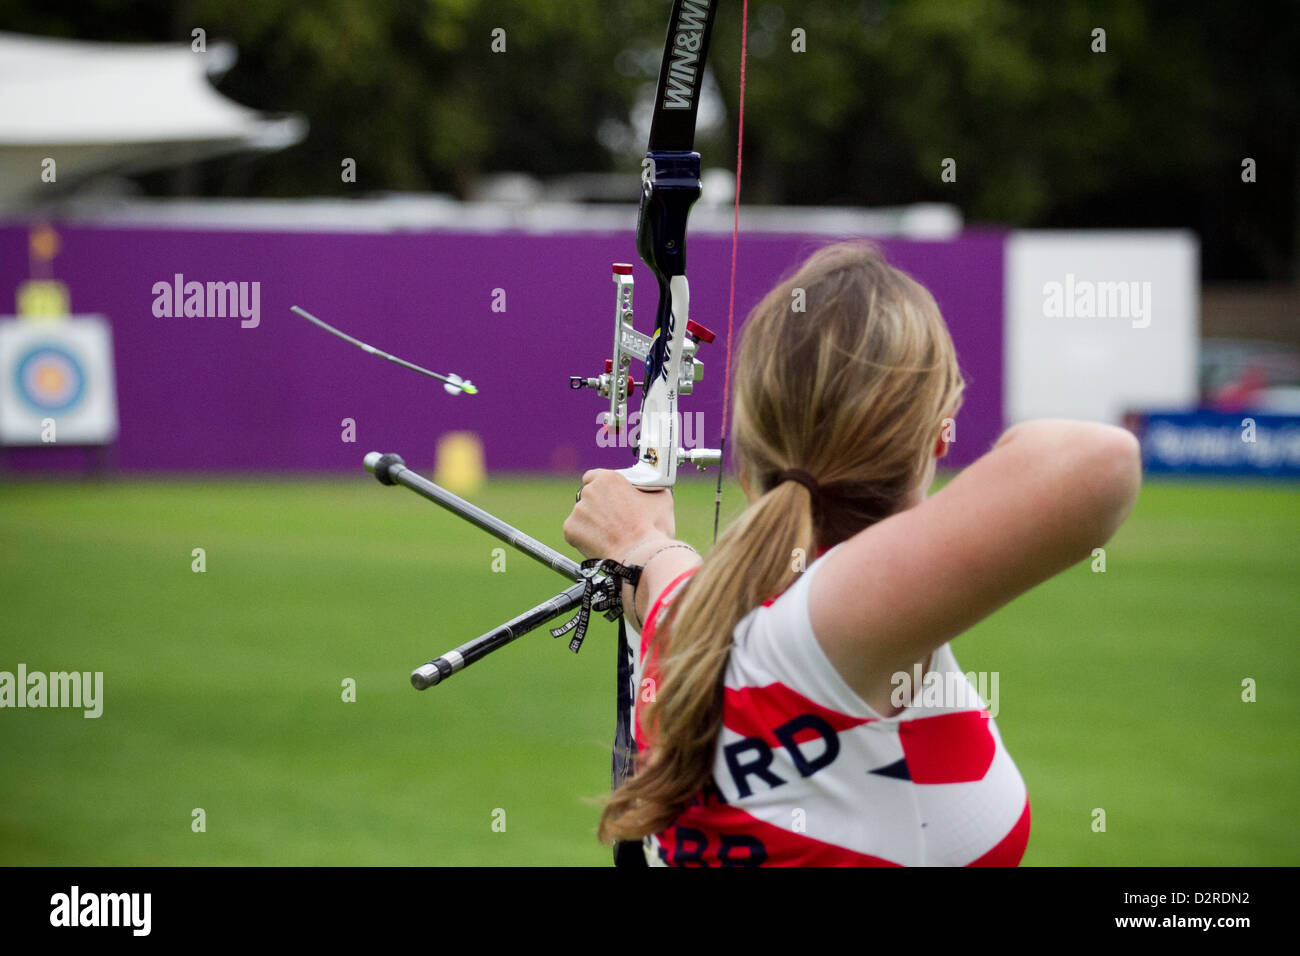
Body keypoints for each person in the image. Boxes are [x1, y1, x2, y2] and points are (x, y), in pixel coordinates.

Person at [563, 241, 1142, 866]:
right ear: (940, 433)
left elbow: (666, 574)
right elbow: (1102, 460)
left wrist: (640, 542)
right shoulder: (814, 628)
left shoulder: (690, 614)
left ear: (750, 452)